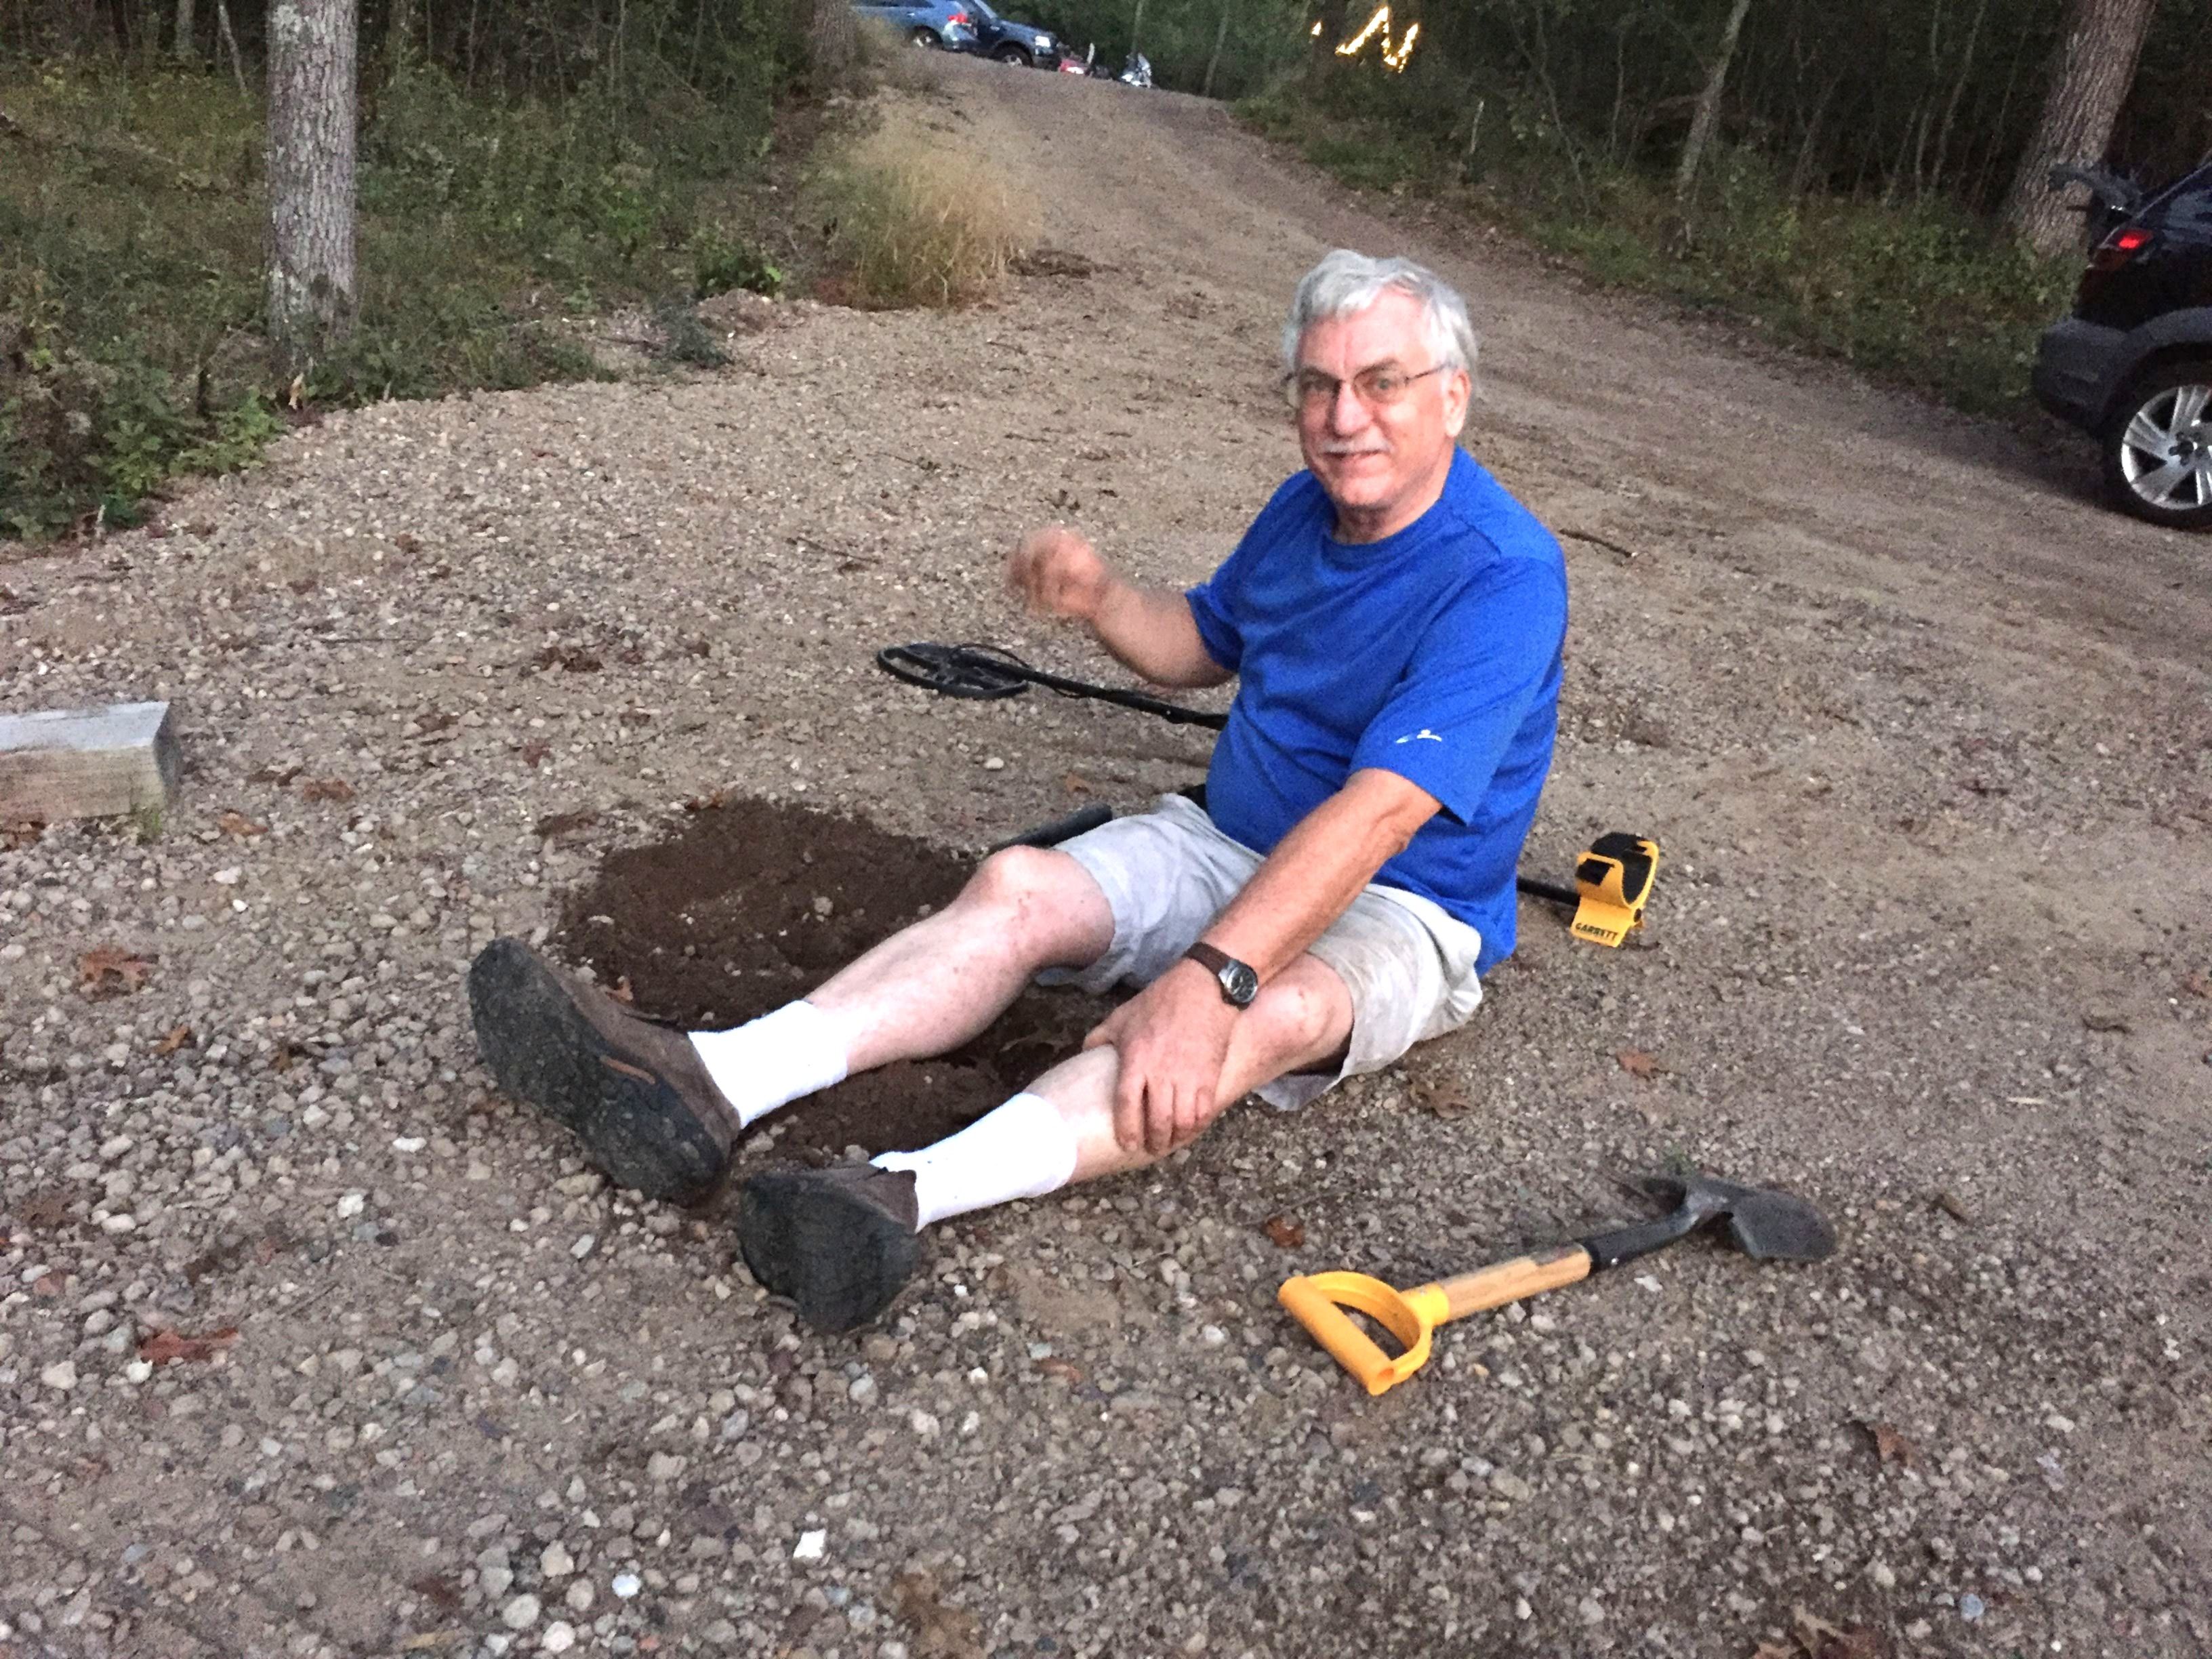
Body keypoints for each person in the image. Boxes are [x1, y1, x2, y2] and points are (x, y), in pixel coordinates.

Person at [467, 249, 1567, 1333]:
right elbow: (1203, 643)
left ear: (1453, 397)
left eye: (1382, 384)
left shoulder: (1503, 575)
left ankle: (898, 1196)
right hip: (1228, 842)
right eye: (1319, 387)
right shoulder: (1301, 508)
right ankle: (710, 1082)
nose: (1344, 418)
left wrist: (1209, 980)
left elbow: (1380, 813)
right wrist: (1099, 598)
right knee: (1018, 887)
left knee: (1269, 1016)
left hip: (1398, 903)